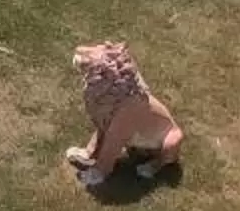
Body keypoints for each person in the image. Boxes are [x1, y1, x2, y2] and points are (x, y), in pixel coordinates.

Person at [67, 40, 183, 191]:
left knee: (119, 136)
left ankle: (104, 170)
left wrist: (101, 169)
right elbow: (105, 126)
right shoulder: (115, 98)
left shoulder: (130, 103)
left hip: (162, 138)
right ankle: (90, 153)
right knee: (107, 126)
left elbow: (114, 137)